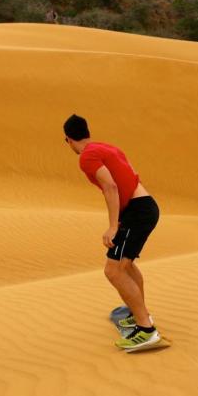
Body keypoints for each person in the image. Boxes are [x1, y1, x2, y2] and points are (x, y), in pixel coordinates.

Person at [63, 114, 160, 351]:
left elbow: (111, 186)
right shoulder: (106, 147)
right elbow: (129, 174)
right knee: (124, 265)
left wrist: (114, 225)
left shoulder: (87, 157)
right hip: (145, 206)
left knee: (113, 270)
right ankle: (141, 314)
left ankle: (146, 329)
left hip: (136, 212)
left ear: (68, 139)